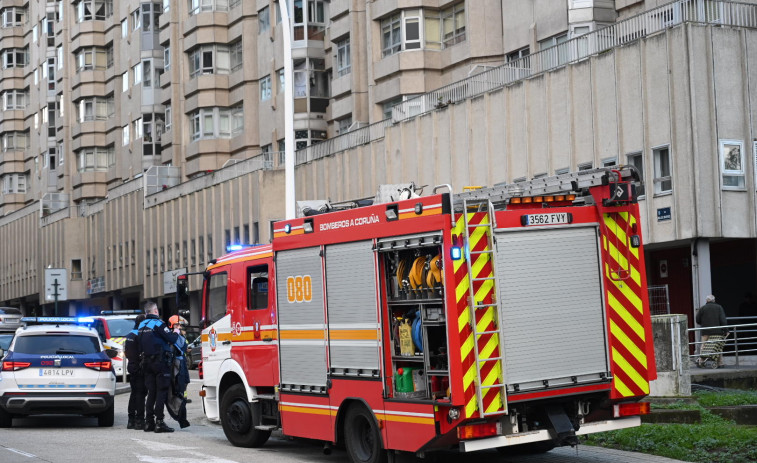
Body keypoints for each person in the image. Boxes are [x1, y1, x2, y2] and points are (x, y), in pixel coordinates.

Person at [138, 301, 179, 433]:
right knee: (161, 391)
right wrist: (176, 331)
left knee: (151, 392)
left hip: (147, 363)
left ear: (146, 312)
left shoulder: (142, 325)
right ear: (155, 311)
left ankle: (148, 422)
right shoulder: (159, 323)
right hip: (160, 363)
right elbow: (172, 339)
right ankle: (159, 422)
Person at [165, 316, 191, 429]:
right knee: (177, 393)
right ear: (171, 326)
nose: (179, 327)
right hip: (177, 368)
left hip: (182, 366)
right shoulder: (172, 338)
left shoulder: (179, 336)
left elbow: (184, 347)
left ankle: (182, 418)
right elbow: (179, 347)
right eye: (177, 325)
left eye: (180, 325)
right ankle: (181, 418)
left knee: (183, 391)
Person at [124, 314, 146, 430]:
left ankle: (131, 420)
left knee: (134, 394)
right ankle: (139, 421)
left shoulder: (130, 335)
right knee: (140, 395)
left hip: (131, 366)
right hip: (139, 367)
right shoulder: (141, 335)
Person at [695, 295, 728, 368]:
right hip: (717, 331)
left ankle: (701, 361)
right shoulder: (719, 307)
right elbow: (723, 320)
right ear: (714, 300)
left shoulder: (702, 308)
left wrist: (703, 323)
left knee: (703, 346)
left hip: (705, 331)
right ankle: (720, 363)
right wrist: (726, 330)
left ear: (707, 300)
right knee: (718, 347)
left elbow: (697, 320)